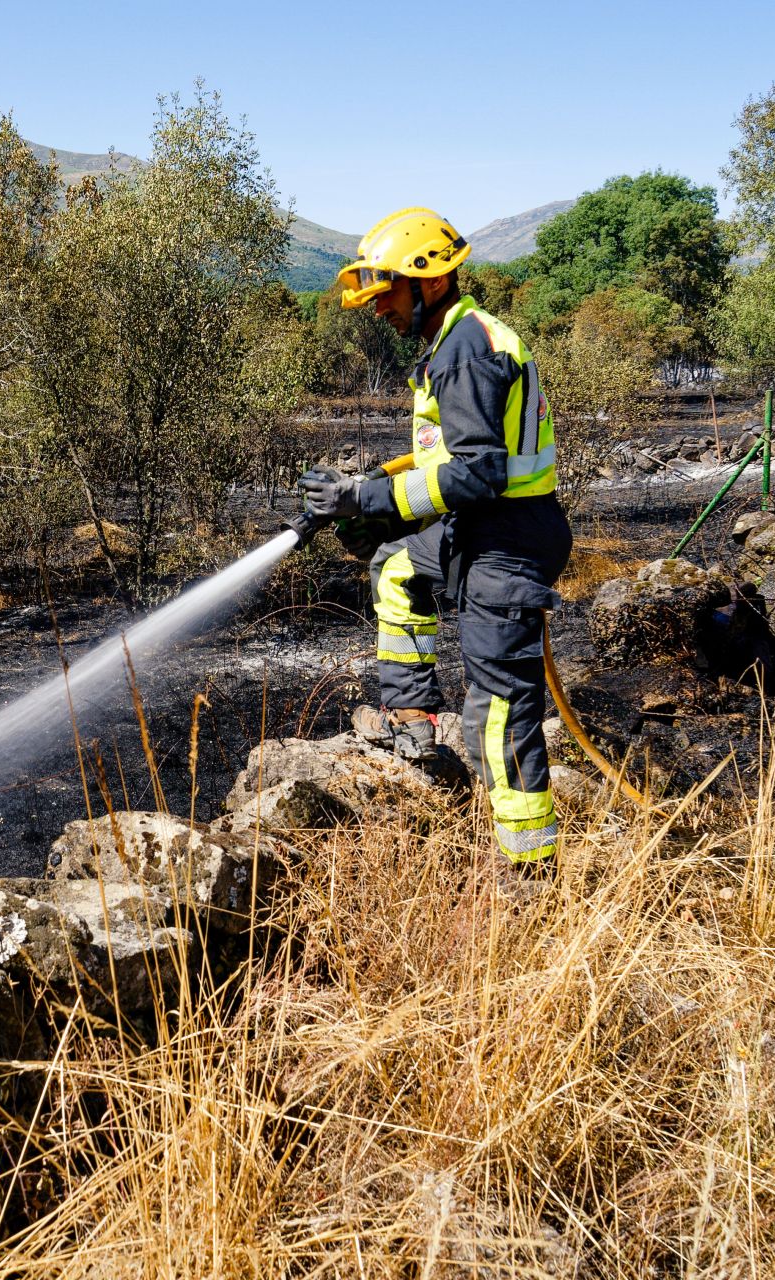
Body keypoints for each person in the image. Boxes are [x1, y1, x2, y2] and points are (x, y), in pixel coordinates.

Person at [299, 207, 572, 892]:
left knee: (499, 711)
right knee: (395, 569)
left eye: (386, 292)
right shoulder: (455, 340)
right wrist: (372, 488)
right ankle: (412, 719)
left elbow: (478, 474)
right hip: (480, 530)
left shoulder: (467, 349)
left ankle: (530, 874)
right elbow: (452, 457)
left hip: (507, 544)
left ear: (428, 280)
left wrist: (366, 503)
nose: (379, 310)